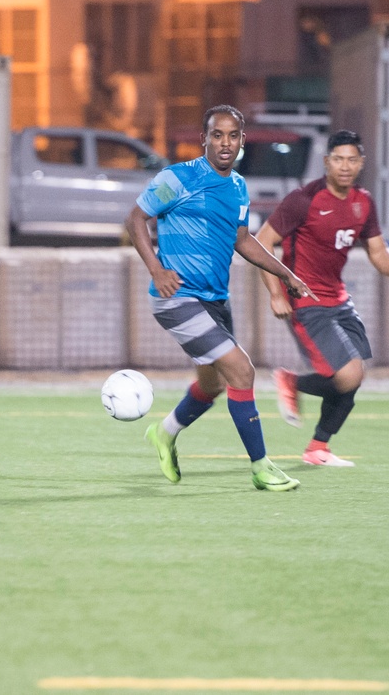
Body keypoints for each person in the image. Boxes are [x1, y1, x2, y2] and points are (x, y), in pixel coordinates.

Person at [125, 104, 315, 492]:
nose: (225, 143)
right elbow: (135, 219)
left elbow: (242, 241)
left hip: (214, 300)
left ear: (242, 141)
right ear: (204, 138)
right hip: (176, 296)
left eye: (232, 135)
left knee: (211, 385)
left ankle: (163, 434)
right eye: (217, 134)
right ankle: (262, 467)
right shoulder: (177, 178)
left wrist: (287, 274)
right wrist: (156, 271)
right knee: (242, 371)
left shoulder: (239, 188)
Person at [255, 129, 389, 467]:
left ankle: (318, 448)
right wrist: (276, 292)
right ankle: (291, 382)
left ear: (360, 163)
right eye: (338, 159)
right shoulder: (304, 200)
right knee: (347, 374)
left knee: (354, 378)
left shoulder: (363, 203)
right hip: (305, 299)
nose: (345, 166)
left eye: (352, 160)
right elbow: (261, 241)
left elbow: (377, 251)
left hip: (339, 301)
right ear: (327, 162)